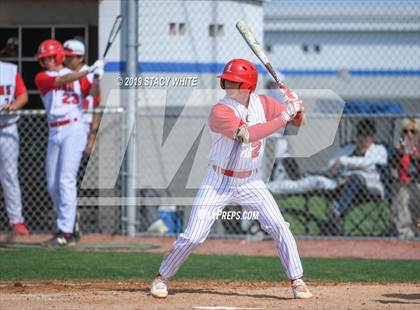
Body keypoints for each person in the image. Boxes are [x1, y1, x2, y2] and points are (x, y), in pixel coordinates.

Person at [150, 58, 312, 299]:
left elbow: (300, 122)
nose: (227, 86)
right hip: (217, 181)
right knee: (194, 236)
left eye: (234, 83)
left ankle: (297, 280)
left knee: (279, 226)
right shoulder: (220, 110)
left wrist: (297, 108)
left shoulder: (265, 103)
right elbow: (246, 135)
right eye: (226, 81)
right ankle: (162, 277)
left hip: (251, 181)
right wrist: (283, 118)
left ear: (248, 86)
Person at [34, 39, 103, 247]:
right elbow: (61, 81)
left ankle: (66, 231)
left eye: (51, 57)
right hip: (54, 130)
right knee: (52, 183)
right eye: (44, 58)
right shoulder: (42, 77)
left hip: (74, 128)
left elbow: (94, 95)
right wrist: (86, 72)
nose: (48, 61)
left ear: (59, 56)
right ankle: (67, 225)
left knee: (66, 179)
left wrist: (96, 77)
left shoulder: (80, 75)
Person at [268, 119, 387, 232]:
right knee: (314, 179)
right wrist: (334, 167)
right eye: (361, 134)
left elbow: (368, 164)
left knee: (355, 177)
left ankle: (337, 210)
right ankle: (272, 188)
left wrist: (344, 162)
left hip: (368, 185)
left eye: (367, 135)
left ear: (372, 136)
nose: (364, 138)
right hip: (339, 183)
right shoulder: (348, 149)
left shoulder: (379, 149)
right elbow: (332, 164)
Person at [0, 60, 29, 236]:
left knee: (10, 176)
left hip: (7, 128)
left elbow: (23, 96)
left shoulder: (9, 70)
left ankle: (16, 220)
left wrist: (13, 106)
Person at [63, 39, 101, 156]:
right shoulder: (62, 73)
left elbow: (96, 106)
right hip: (64, 123)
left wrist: (92, 137)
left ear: (80, 58)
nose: (66, 60)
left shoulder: (91, 75)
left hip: (84, 124)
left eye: (70, 57)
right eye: (65, 56)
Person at [389, 118, 420, 239]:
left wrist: (414, 157)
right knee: (403, 193)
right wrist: (400, 152)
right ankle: (405, 232)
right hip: (402, 184)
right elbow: (390, 165)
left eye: (413, 131)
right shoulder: (398, 149)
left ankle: (418, 229)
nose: (409, 135)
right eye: (405, 131)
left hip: (417, 184)